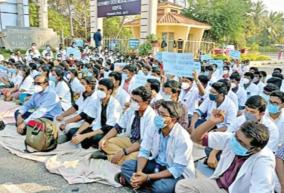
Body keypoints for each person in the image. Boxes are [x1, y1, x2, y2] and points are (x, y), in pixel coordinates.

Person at [176, 117, 275, 193]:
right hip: (218, 185)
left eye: (241, 143)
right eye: (236, 136)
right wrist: (211, 121)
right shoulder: (232, 138)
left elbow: (261, 190)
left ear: (255, 149)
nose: (235, 141)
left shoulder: (264, 160)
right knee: (183, 186)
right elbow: (195, 138)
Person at [120, 101, 195, 193]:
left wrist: (147, 177)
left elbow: (177, 170)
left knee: (159, 188)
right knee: (127, 166)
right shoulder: (153, 127)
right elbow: (144, 151)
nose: (158, 116)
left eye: (162, 114)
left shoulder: (183, 138)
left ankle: (143, 185)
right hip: (157, 165)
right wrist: (139, 172)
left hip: (174, 173)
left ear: (173, 119)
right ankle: (143, 185)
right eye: (158, 112)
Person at [95, 86, 155, 165]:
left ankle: (110, 157)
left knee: (131, 159)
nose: (133, 102)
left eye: (136, 101)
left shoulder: (151, 117)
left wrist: (124, 152)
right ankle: (118, 158)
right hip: (130, 141)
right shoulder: (131, 110)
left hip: (142, 147)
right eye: (132, 99)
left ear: (146, 102)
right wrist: (104, 138)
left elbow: (144, 141)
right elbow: (118, 127)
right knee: (106, 143)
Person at [66, 78, 122, 149]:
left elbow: (108, 127)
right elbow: (89, 119)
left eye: (102, 89)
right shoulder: (97, 100)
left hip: (108, 132)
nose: (99, 91)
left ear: (109, 91)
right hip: (97, 128)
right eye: (98, 89)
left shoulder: (115, 104)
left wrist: (84, 135)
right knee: (73, 132)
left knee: (94, 138)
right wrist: (77, 133)